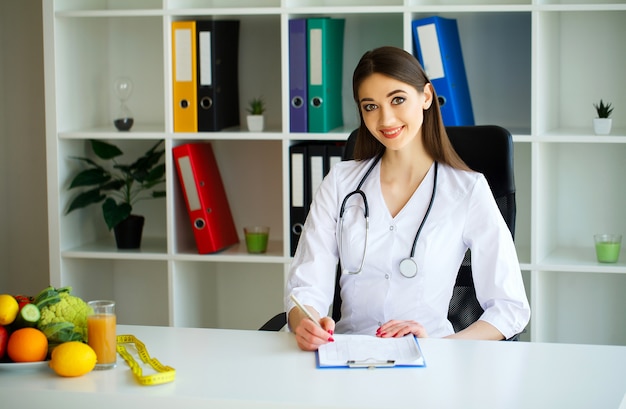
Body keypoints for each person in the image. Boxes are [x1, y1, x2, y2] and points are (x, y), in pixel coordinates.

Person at [285, 46, 530, 351]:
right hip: (348, 354)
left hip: (431, 361)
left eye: (397, 99)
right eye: (370, 106)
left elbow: (510, 307)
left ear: (426, 96)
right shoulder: (340, 183)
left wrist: (443, 346)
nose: (386, 119)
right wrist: (305, 322)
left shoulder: (467, 190)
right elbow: (306, 286)